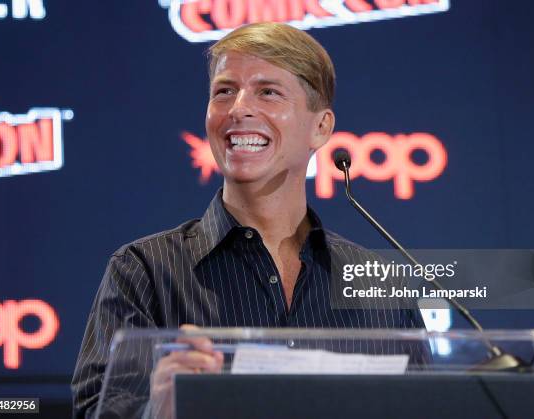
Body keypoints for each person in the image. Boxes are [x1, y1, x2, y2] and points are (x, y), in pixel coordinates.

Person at [71, 22, 429, 418]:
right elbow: (94, 411)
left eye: (268, 92)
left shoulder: (381, 285)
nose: (238, 109)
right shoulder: (144, 271)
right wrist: (157, 411)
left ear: (321, 127)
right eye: (224, 91)